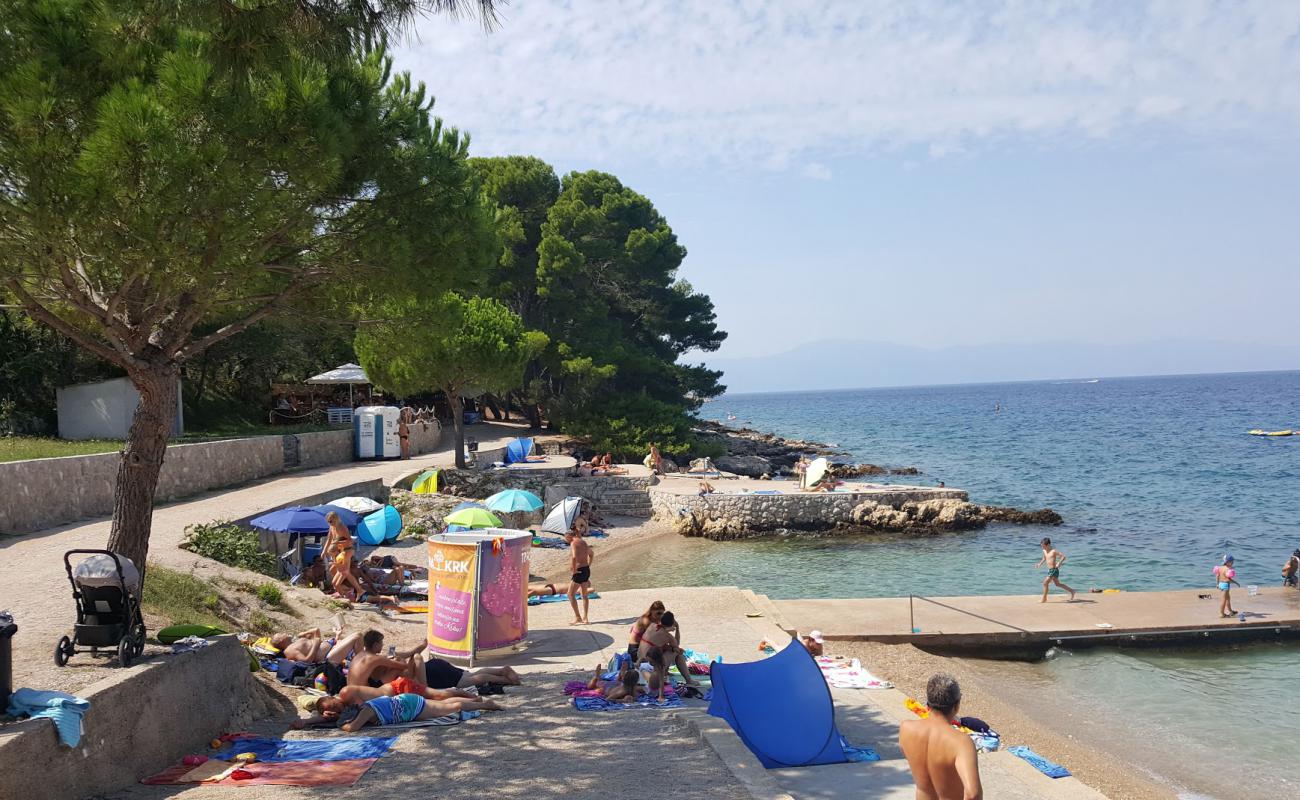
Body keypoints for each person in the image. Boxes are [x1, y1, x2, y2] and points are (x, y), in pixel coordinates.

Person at [900, 673, 982, 800]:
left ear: (928, 704)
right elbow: (973, 794)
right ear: (956, 705)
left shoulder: (906, 729)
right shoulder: (961, 743)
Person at [294, 692, 502, 731]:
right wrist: (309, 722)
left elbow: (351, 727)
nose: (336, 711)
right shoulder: (356, 708)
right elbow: (339, 718)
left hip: (411, 707)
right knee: (442, 704)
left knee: (450, 708)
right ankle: (475, 700)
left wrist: (343, 723)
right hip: (406, 703)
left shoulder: (364, 710)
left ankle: (486, 705)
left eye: (334, 708)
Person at [638, 611, 700, 687]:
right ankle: (689, 680)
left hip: (640, 659)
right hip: (651, 664)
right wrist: (677, 628)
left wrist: (668, 630)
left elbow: (657, 640)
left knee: (669, 649)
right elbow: (676, 646)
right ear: (672, 623)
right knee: (677, 652)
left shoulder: (652, 625)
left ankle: (668, 673)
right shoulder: (667, 636)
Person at [347, 630, 424, 687]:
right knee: (396, 669)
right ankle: (418, 685)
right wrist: (412, 658)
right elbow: (404, 666)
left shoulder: (361, 654)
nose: (383, 645)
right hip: (366, 692)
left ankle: (413, 652)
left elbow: (386, 657)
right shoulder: (375, 658)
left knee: (387, 662)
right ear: (376, 645)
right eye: (381, 643)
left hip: (353, 689)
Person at [420, 653, 521, 690]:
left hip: (434, 673)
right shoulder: (408, 662)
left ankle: (506, 680)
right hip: (435, 664)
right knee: (471, 675)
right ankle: (501, 671)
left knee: (471, 680)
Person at [271, 628, 361, 664]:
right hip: (328, 657)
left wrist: (305, 633)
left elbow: (316, 631)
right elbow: (306, 661)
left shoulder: (295, 643)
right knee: (357, 635)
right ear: (281, 641)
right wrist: (316, 644)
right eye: (281, 634)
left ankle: (362, 662)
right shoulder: (289, 651)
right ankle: (360, 665)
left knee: (365, 645)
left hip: (332, 649)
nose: (284, 633)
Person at [1036, 537, 1076, 602]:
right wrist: (1039, 564)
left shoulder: (1053, 551)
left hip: (1054, 570)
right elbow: (1044, 558)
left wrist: (1059, 563)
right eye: (1042, 546)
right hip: (1050, 570)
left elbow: (1063, 557)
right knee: (1058, 584)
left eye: (1043, 546)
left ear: (1048, 545)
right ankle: (1072, 591)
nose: (1043, 548)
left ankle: (1044, 599)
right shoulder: (1044, 551)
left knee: (1045, 583)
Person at [567, 529, 594, 625]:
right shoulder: (583, 542)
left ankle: (578, 617)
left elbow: (574, 557)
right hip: (586, 570)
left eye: (566, 538)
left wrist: (574, 571)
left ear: (569, 536)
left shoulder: (573, 543)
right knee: (584, 595)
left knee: (570, 594)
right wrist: (588, 565)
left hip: (579, 572)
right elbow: (591, 554)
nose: (566, 540)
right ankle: (585, 618)